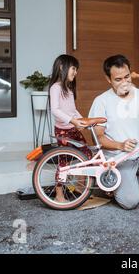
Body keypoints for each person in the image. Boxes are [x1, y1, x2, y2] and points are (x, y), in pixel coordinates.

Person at [89, 55, 139, 210]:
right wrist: (120, 145)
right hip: (120, 159)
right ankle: (112, 183)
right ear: (108, 79)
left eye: (127, 77)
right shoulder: (101, 101)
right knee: (129, 202)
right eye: (118, 79)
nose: (124, 82)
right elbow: (98, 137)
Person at [49, 54, 92, 203]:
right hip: (63, 131)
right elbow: (55, 109)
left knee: (87, 155)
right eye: (74, 68)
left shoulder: (68, 89)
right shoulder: (55, 88)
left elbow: (72, 110)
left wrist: (84, 121)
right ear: (62, 67)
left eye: (76, 69)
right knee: (64, 162)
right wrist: (73, 120)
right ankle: (59, 194)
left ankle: (82, 187)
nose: (76, 72)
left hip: (73, 128)